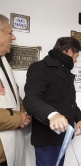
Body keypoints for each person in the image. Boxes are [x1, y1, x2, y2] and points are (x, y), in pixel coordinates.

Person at [23, 37, 81, 166]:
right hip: (47, 138)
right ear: (69, 51)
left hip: (63, 136)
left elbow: (68, 100)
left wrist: (79, 118)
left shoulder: (65, 70)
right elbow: (31, 99)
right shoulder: (40, 67)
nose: (76, 60)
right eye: (76, 56)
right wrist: (52, 114)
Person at [0, 14, 31, 166]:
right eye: (9, 32)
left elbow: (14, 95)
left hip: (8, 151)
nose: (13, 38)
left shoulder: (3, 61)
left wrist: (24, 113)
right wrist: (19, 118)